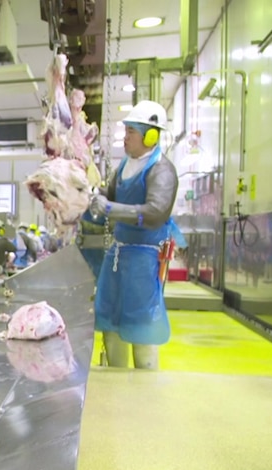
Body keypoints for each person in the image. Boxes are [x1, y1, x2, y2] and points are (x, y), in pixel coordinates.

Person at [90, 99, 179, 370]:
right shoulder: (124, 167)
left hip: (143, 257)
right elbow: (111, 195)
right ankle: (115, 380)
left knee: (141, 324)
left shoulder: (161, 170)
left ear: (151, 135)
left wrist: (112, 208)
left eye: (130, 131)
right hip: (118, 255)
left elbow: (155, 212)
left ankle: (145, 385)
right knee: (111, 319)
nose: (125, 137)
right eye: (126, 130)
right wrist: (93, 196)